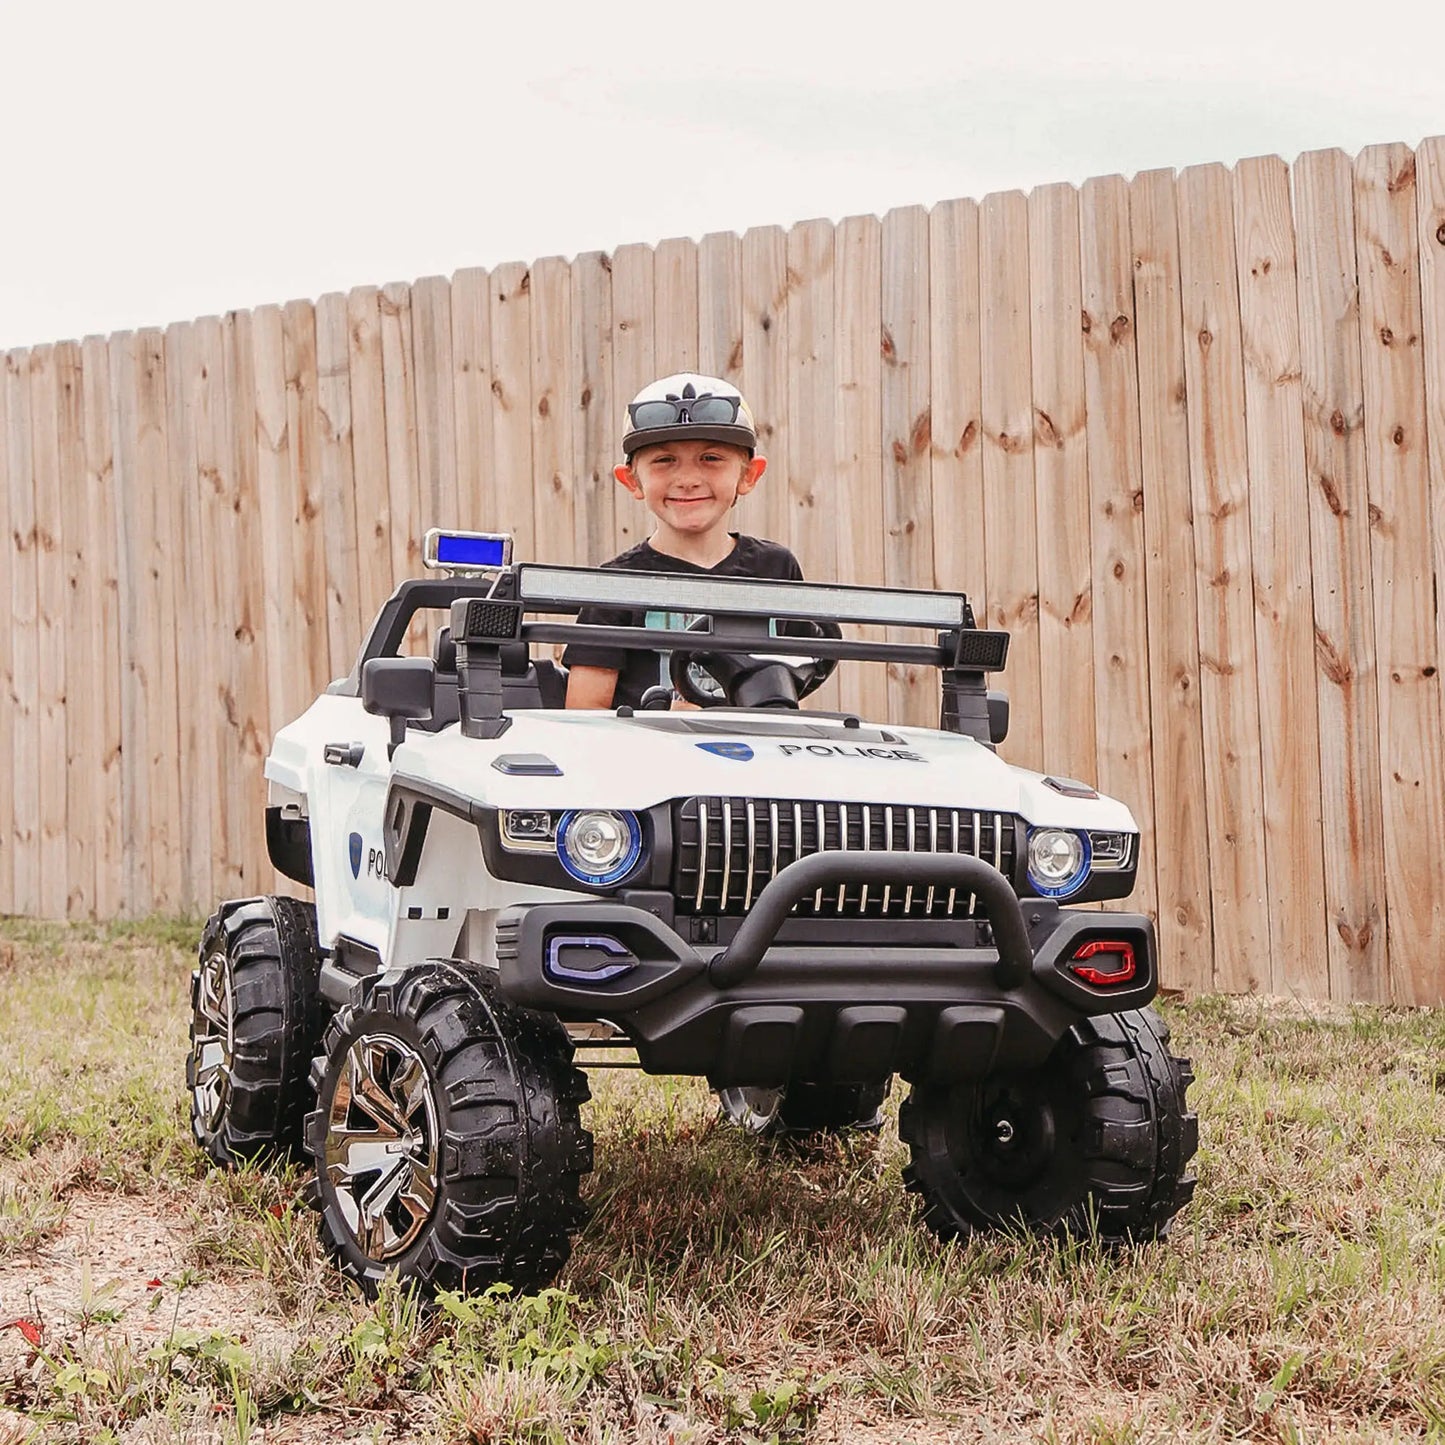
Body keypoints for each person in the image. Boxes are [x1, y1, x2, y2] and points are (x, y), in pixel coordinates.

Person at [562, 372, 804, 709]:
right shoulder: (614, 585)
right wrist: (660, 719)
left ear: (749, 474)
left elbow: (798, 682)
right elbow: (584, 712)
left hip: (758, 755)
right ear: (632, 480)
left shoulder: (776, 568)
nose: (688, 479)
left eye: (711, 459)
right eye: (664, 460)